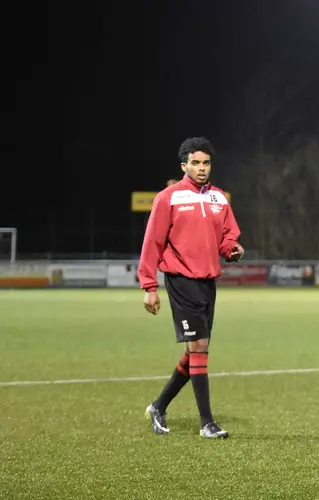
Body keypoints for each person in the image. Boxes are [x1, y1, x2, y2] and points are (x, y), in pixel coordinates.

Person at [138, 137, 244, 439]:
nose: (201, 168)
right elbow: (152, 243)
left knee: (195, 351)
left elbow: (227, 237)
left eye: (206, 163)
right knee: (199, 347)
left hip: (208, 281)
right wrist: (149, 286)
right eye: (195, 163)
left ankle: (158, 406)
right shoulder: (168, 198)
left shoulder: (219, 199)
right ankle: (207, 423)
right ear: (184, 165)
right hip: (181, 280)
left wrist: (232, 249)